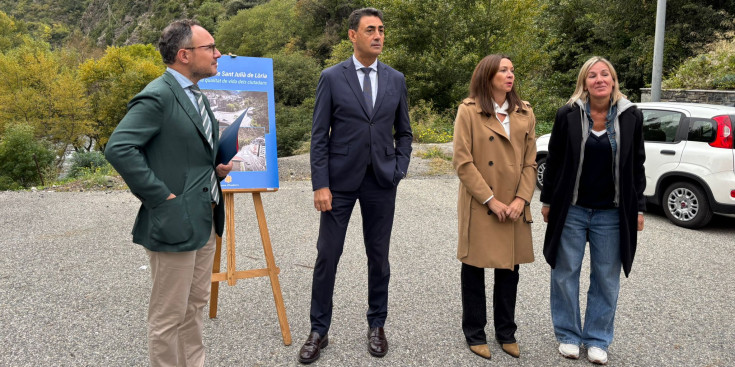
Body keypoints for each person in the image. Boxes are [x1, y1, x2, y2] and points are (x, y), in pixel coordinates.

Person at [104, 19, 233, 366]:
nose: (218, 54)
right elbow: (119, 148)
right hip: (175, 221)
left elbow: (189, 156)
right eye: (211, 48)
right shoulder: (158, 95)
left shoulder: (196, 97)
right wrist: (161, 197)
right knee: (167, 316)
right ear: (184, 55)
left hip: (204, 217)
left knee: (194, 306)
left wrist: (215, 170)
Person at [297, 7, 412, 364]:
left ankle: (377, 324)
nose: (378, 36)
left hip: (381, 182)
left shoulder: (396, 79)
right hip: (340, 184)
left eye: (381, 30)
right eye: (370, 30)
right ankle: (319, 329)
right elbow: (319, 137)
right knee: (327, 256)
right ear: (352, 35)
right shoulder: (332, 77)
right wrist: (321, 184)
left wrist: (399, 169)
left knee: (379, 258)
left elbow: (404, 133)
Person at [540, 56, 645, 365]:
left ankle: (598, 338)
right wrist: (547, 202)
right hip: (572, 210)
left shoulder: (631, 116)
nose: (599, 79)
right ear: (584, 82)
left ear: (613, 80)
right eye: (592, 75)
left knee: (606, 279)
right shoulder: (568, 115)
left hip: (611, 214)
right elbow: (555, 162)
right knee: (564, 274)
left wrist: (638, 207)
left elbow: (636, 165)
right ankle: (569, 336)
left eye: (605, 74)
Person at [452, 54, 537, 360]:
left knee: (509, 270)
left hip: (514, 204)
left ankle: (506, 332)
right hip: (481, 203)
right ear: (487, 76)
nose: (510, 75)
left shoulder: (524, 112)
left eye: (512, 70)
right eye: (503, 70)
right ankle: (474, 332)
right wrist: (491, 199)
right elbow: (462, 162)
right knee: (474, 268)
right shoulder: (469, 110)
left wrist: (520, 200)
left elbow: (530, 162)